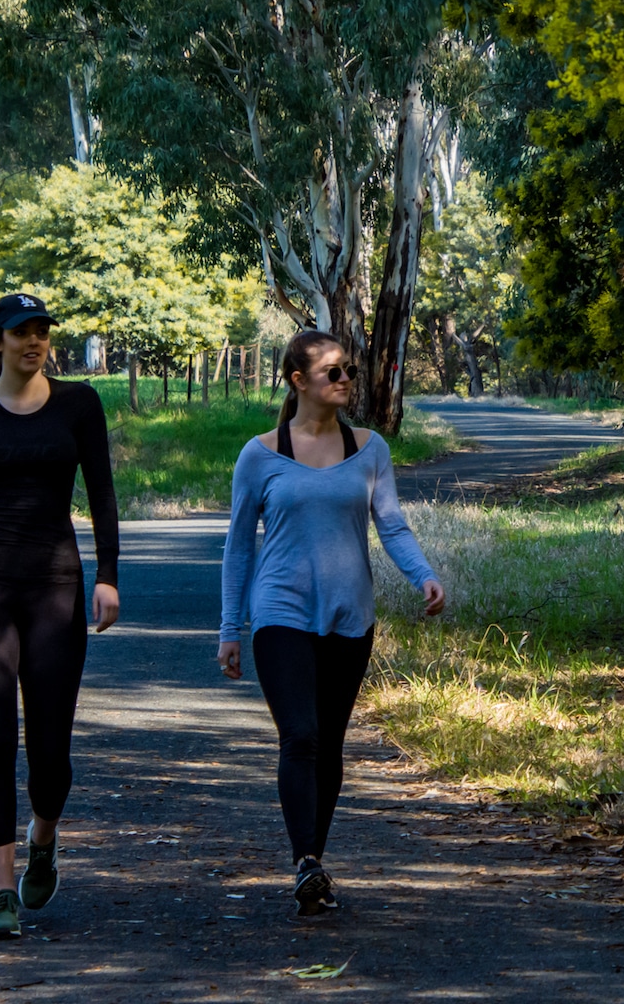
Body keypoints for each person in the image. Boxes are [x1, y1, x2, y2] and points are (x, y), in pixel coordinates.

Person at [219, 330, 445, 917]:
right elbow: (239, 546)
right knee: (301, 736)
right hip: (281, 614)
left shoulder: (369, 448)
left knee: (331, 744)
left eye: (349, 369)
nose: (346, 379)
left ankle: (312, 863)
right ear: (299, 382)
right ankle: (305, 862)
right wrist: (229, 628)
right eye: (333, 371)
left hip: (350, 616)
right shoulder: (260, 454)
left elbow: (391, 524)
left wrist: (422, 574)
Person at [0, 293, 121, 939]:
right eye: (21, 333)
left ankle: (44, 837)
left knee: (51, 753)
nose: (34, 342)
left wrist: (110, 577)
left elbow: (104, 493)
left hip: (55, 589)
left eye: (41, 332)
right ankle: (2, 892)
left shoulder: (79, 405)